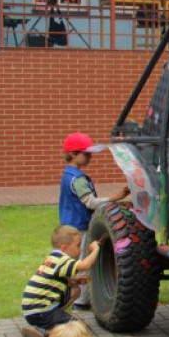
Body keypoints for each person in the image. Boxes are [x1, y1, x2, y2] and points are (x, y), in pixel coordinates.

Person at [59, 132, 127, 308]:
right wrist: (114, 198)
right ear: (73, 154)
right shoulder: (77, 179)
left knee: (73, 262)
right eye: (86, 154)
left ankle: (77, 298)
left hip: (70, 224)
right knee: (82, 262)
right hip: (79, 226)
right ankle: (81, 301)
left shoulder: (68, 174)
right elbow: (89, 202)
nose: (90, 157)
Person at [19, 225, 101, 337]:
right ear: (64, 247)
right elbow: (85, 265)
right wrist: (95, 250)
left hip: (32, 310)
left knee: (75, 290)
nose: (81, 250)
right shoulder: (63, 260)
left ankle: (53, 319)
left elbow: (56, 281)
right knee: (79, 328)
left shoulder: (53, 258)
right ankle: (44, 331)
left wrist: (76, 281)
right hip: (41, 310)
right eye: (78, 246)